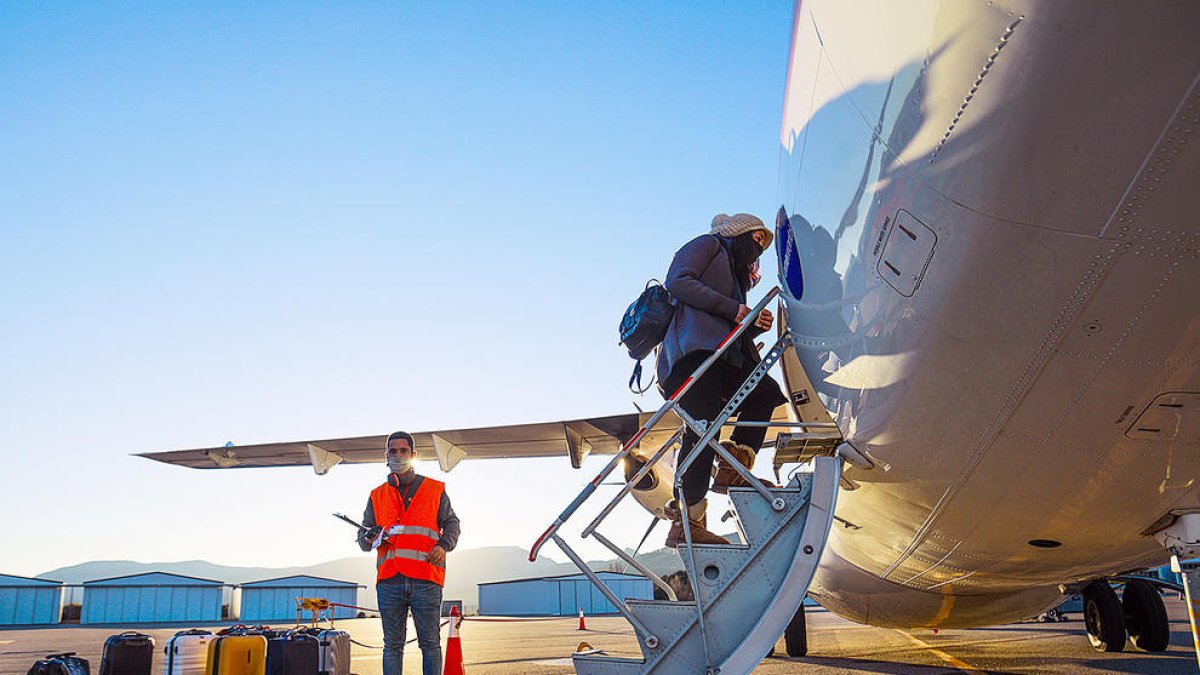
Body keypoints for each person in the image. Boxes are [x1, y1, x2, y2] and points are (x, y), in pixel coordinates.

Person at [656, 213, 788, 548]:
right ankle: (688, 520)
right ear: (738, 233)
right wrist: (733, 309)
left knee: (765, 393)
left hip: (722, 357)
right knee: (700, 431)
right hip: (693, 356)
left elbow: (723, 318)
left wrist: (751, 323)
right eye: (755, 239)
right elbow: (678, 280)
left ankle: (733, 467)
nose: (758, 248)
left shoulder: (734, 273)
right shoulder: (708, 244)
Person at [357, 431, 462, 675]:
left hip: (426, 578)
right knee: (392, 646)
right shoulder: (377, 495)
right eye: (393, 451)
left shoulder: (434, 490)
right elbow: (363, 540)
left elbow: (452, 523)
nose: (398, 455)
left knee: (430, 645)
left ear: (413, 455)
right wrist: (368, 537)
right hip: (389, 580)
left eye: (403, 451)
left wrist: (443, 545)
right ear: (386, 456)